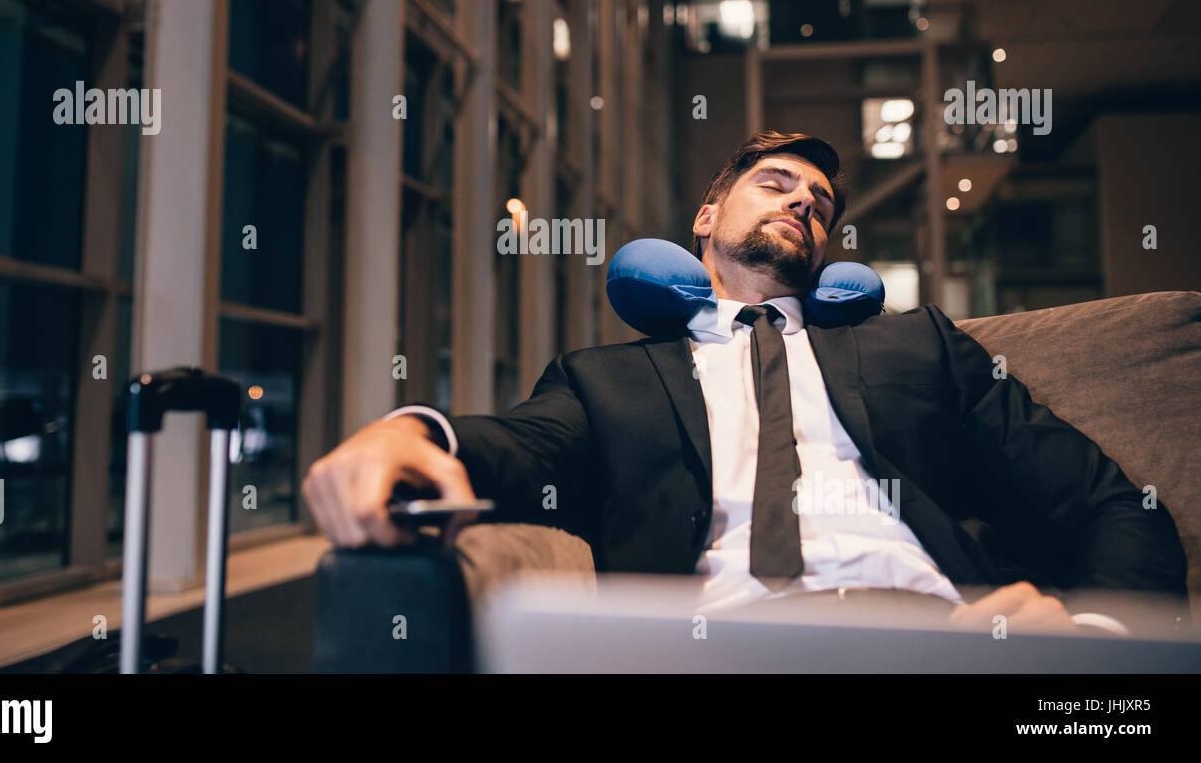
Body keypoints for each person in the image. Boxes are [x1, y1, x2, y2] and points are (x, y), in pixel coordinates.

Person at [302, 131, 1188, 636]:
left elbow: (1114, 503)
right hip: (711, 644)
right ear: (706, 218)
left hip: (934, 636)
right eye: (776, 183)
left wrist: (1094, 658)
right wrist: (408, 432)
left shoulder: (918, 347)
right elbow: (518, 445)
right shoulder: (608, 380)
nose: (804, 201)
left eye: (820, 201)